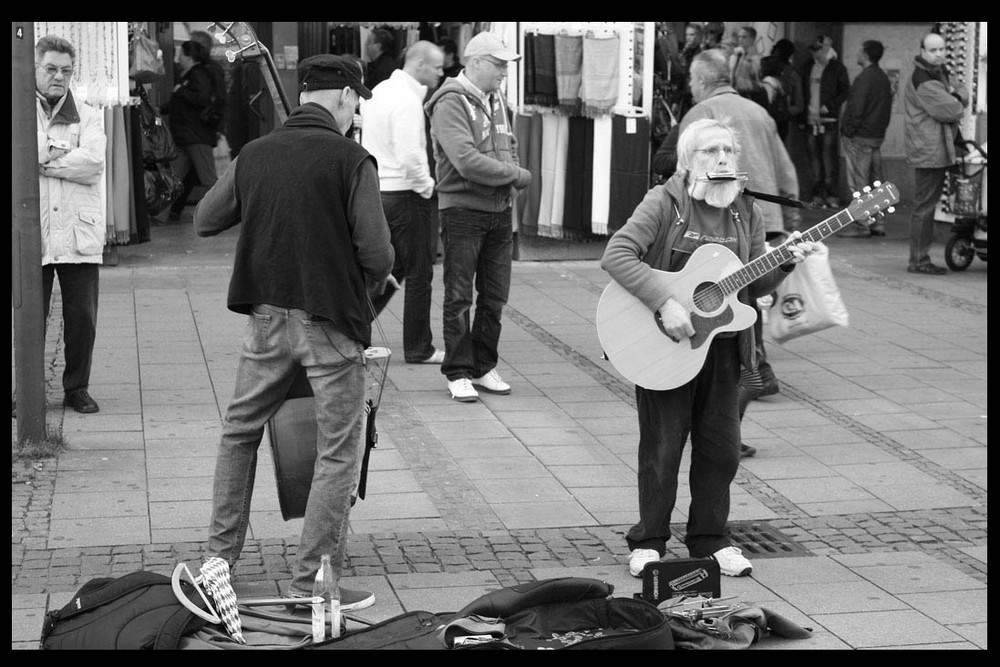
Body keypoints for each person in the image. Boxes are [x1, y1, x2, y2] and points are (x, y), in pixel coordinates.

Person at [194, 54, 394, 610]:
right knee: (336, 450)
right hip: (329, 322)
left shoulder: (256, 153)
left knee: (239, 432)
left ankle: (217, 561)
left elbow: (205, 219)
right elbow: (377, 254)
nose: (357, 112)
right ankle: (312, 584)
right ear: (345, 97)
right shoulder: (352, 159)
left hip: (265, 319)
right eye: (357, 101)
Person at [601, 117, 818, 579]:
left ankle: (710, 538)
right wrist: (664, 302)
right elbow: (617, 255)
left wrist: (783, 264)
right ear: (687, 161)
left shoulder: (746, 211)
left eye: (728, 152)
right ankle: (649, 540)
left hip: (721, 348)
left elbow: (752, 284)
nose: (722, 160)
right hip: (664, 344)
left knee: (722, 450)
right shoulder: (664, 203)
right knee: (662, 450)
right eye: (710, 152)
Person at [425, 32, 531, 403]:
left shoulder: (495, 97)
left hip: (498, 209)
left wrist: (511, 172)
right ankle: (458, 371)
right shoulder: (451, 102)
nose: (504, 71)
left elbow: (509, 144)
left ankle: (483, 366)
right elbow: (465, 161)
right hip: (463, 210)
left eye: (506, 65)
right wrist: (517, 176)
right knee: (458, 296)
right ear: (476, 63)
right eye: (499, 64)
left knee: (494, 296)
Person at [34, 34, 107, 415]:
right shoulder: (18, 110)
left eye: (65, 70)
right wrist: (66, 155)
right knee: (29, 319)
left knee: (82, 318)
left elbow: (93, 162)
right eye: (51, 69)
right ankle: (26, 391)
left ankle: (77, 387)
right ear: (36, 68)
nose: (58, 76)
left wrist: (43, 158)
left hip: (79, 231)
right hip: (35, 233)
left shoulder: (90, 114)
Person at [362, 41, 446, 364]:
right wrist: (427, 187)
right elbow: (411, 154)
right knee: (420, 271)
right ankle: (418, 346)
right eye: (437, 67)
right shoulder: (407, 101)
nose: (441, 72)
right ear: (419, 64)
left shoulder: (379, 91)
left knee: (390, 267)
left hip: (381, 190)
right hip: (407, 193)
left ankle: (354, 332)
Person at [903, 32, 969, 274]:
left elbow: (959, 93)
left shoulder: (936, 73)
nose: (939, 54)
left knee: (927, 204)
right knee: (925, 206)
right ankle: (918, 260)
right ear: (922, 51)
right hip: (929, 150)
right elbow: (951, 109)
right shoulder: (924, 79)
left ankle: (920, 258)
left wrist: (956, 94)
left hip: (934, 147)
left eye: (942, 49)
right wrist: (956, 96)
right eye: (933, 50)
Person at [839, 40, 893, 238]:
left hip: (860, 137)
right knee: (876, 181)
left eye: (860, 51)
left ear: (866, 54)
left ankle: (862, 224)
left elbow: (856, 108)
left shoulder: (864, 78)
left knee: (859, 183)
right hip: (875, 137)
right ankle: (878, 223)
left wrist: (848, 130)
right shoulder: (882, 78)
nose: (857, 54)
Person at [164, 39, 218, 222]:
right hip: (187, 135)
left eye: (181, 54)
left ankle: (224, 213)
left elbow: (202, 99)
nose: (178, 58)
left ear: (189, 56)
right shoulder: (190, 74)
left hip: (196, 135)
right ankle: (162, 214)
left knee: (208, 179)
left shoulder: (198, 74)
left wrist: (181, 91)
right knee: (174, 178)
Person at [800, 35, 850, 209]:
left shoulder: (836, 68)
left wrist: (830, 106)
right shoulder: (808, 67)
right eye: (813, 50)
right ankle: (817, 194)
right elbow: (803, 91)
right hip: (810, 120)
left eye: (818, 49)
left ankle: (832, 194)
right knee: (814, 160)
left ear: (826, 48)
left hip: (828, 120)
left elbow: (845, 91)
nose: (815, 53)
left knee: (828, 160)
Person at [770, 38, 805, 142]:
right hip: (781, 119)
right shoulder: (793, 74)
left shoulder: (765, 69)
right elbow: (799, 105)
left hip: (765, 117)